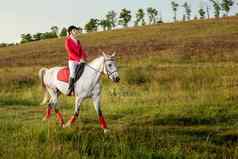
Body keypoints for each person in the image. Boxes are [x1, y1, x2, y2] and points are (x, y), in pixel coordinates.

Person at [65, 25, 87, 95]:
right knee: (73, 73)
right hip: (72, 61)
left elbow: (81, 51)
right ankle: (70, 89)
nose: (76, 31)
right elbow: (70, 53)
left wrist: (83, 58)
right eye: (74, 30)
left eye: (76, 30)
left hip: (80, 60)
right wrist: (78, 59)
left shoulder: (78, 41)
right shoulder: (67, 41)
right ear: (71, 32)